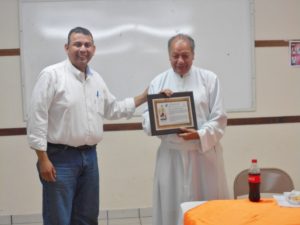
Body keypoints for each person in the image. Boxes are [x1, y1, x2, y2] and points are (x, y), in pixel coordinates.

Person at [27, 27, 148, 225]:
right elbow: (36, 117)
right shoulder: (51, 76)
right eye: (77, 44)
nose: (83, 49)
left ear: (94, 49)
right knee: (59, 219)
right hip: (59, 159)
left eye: (87, 44)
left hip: (90, 158)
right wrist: (42, 158)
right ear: (66, 48)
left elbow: (113, 109)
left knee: (87, 217)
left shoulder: (96, 79)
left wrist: (143, 97)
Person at [142, 34, 229, 225]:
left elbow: (219, 118)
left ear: (193, 55)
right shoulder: (158, 82)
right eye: (175, 56)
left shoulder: (209, 79)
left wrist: (198, 134)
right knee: (171, 208)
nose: (180, 61)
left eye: (185, 55)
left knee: (207, 210)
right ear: (169, 56)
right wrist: (159, 106)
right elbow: (147, 123)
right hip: (171, 157)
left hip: (202, 155)